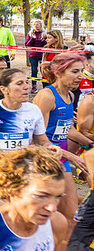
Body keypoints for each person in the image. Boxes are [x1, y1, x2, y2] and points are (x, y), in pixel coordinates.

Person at [33, 53, 91, 222]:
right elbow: (38, 139)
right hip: (44, 161)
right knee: (53, 216)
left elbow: (68, 129)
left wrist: (90, 143)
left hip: (62, 159)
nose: (80, 76)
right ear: (58, 72)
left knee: (69, 214)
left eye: (81, 71)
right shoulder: (46, 96)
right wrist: (72, 157)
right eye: (74, 71)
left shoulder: (70, 96)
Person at [25, 20, 47, 93]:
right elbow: (27, 44)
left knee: (43, 70)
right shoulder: (30, 34)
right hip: (33, 55)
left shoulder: (45, 33)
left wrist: (43, 40)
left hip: (42, 55)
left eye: (38, 24)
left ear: (41, 25)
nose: (36, 25)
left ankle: (45, 87)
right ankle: (34, 87)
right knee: (34, 71)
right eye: (35, 24)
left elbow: (47, 45)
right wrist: (32, 38)